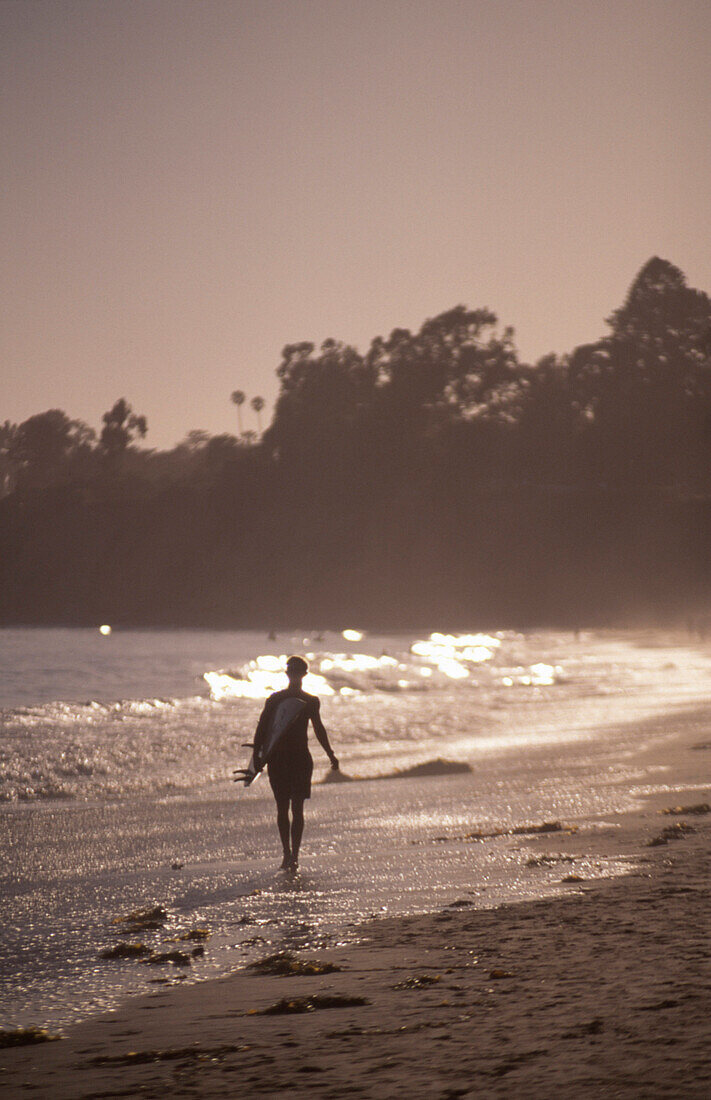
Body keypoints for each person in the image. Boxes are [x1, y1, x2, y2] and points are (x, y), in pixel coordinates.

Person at [253, 655, 338, 872]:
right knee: (295, 808)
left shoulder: (278, 699)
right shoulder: (309, 701)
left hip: (282, 759)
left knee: (284, 808)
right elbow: (318, 730)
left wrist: (257, 756)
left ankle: (288, 855)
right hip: (298, 758)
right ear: (304, 674)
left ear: (289, 673)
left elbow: (262, 730)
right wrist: (330, 754)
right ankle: (292, 856)